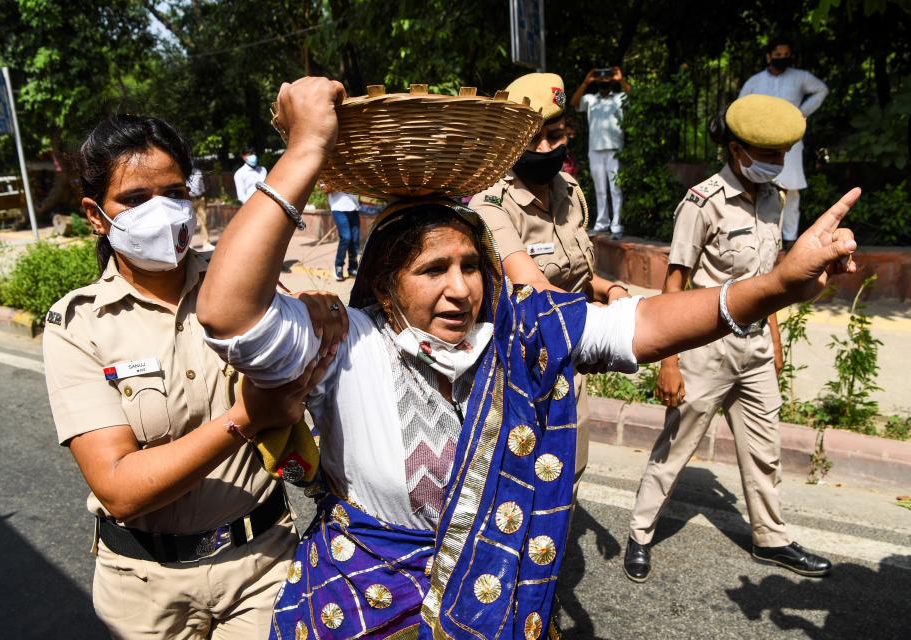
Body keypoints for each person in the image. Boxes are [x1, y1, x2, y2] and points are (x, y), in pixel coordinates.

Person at [196, 77, 859, 639]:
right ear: (385, 285)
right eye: (432, 270)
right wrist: (306, 149)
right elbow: (227, 312)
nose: (460, 286)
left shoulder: (522, 329)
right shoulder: (343, 339)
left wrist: (772, 287)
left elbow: (641, 324)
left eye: (470, 265)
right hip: (361, 609)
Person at [42, 114, 340, 639]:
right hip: (144, 589)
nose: (160, 211)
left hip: (262, 567)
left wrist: (324, 323)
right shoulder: (78, 324)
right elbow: (119, 489)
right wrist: (247, 418)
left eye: (175, 192)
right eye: (134, 199)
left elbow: (318, 371)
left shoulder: (247, 288)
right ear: (94, 215)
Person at [623, 94, 833, 585]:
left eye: (783, 155)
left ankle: (771, 538)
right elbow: (674, 283)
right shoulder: (701, 203)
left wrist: (775, 337)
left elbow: (773, 275)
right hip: (705, 346)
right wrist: (668, 361)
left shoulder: (772, 198)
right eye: (770, 155)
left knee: (765, 449)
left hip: (756, 347)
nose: (778, 164)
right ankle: (639, 532)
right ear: (738, 151)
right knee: (676, 445)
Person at [471, 72, 631, 490]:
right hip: (518, 375)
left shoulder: (571, 191)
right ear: (510, 142)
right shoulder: (491, 203)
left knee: (568, 479)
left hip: (569, 361)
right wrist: (609, 329)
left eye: (554, 135)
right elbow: (533, 285)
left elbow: (578, 272)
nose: (545, 148)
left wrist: (611, 290)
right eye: (533, 139)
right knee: (514, 493)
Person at [740, 37, 828, 246]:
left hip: (791, 140)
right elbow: (740, 105)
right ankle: (767, 236)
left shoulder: (799, 77)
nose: (782, 58)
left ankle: (790, 237)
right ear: (769, 56)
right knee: (762, 185)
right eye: (778, 55)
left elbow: (821, 89)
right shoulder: (756, 81)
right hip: (761, 140)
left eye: (786, 55)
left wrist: (801, 113)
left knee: (792, 189)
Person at [570, 66, 631, 240]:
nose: (605, 84)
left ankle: (617, 224)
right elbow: (573, 103)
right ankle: (602, 223)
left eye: (608, 81)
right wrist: (586, 82)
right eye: (601, 81)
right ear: (597, 83)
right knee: (600, 189)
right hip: (595, 149)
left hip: (615, 149)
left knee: (616, 188)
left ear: (612, 83)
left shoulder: (619, 98)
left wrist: (621, 80)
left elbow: (634, 97)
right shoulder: (590, 99)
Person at [326, 189, 360, 281]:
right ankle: (339, 266)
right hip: (338, 208)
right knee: (346, 237)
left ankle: (353, 268)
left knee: (354, 239)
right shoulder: (330, 174)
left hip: (354, 207)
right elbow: (325, 188)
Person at [188, 162, 214, 250]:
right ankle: (188, 245)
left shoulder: (198, 172)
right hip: (188, 201)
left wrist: (203, 198)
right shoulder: (182, 173)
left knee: (204, 220)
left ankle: (206, 243)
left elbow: (202, 185)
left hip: (200, 199)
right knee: (188, 223)